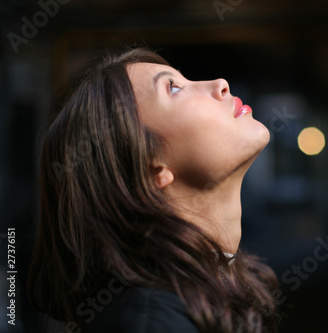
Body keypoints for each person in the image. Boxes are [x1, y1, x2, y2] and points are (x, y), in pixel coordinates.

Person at [28, 47, 281, 333]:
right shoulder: (151, 322)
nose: (220, 83)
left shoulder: (200, 291)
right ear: (150, 169)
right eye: (173, 89)